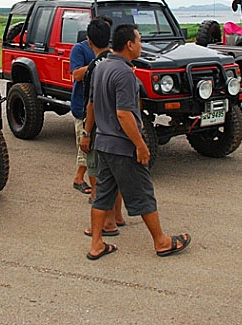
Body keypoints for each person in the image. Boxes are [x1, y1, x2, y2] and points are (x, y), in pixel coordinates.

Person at [83, 24, 191, 260]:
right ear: (129, 44)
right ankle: (161, 242)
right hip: (122, 146)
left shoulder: (101, 67)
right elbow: (124, 114)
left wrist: (87, 132)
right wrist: (141, 145)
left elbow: (92, 103)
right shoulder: (124, 73)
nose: (142, 45)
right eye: (139, 41)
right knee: (143, 193)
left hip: (103, 143)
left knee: (102, 195)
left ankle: (96, 244)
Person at [78, 17, 124, 236]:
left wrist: (86, 132)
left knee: (98, 176)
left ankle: (106, 223)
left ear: (89, 41)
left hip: (100, 129)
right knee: (115, 175)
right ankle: (118, 215)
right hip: (118, 127)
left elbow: (92, 104)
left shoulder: (94, 67)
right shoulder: (119, 62)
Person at [69, 22, 95, 195]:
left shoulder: (109, 51)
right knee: (85, 144)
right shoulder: (80, 49)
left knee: (91, 145)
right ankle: (79, 179)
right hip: (82, 105)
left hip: (98, 105)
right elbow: (76, 74)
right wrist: (96, 64)